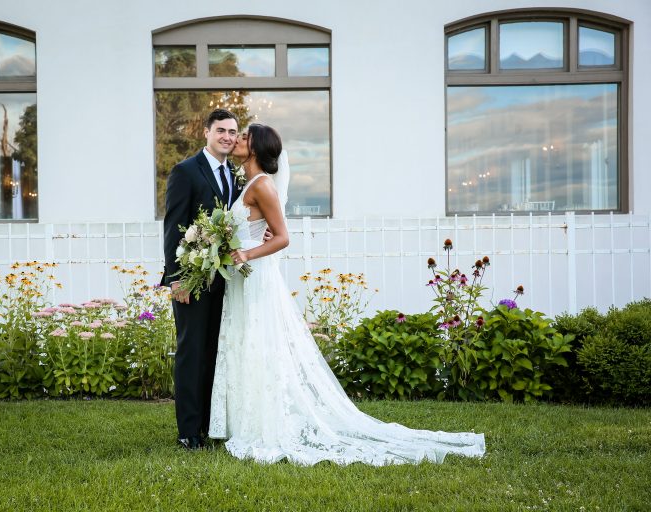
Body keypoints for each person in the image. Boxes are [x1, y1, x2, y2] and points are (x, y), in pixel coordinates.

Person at [208, 124, 486, 465]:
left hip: (256, 275)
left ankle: (267, 424)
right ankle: (248, 420)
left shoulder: (263, 185)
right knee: (246, 343)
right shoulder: (247, 183)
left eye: (245, 136)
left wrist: (247, 255)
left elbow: (282, 237)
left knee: (261, 343)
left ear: (256, 148)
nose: (237, 139)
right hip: (242, 278)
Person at [162, 109, 240, 450]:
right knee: (191, 352)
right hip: (192, 279)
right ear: (206, 132)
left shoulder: (234, 175)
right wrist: (175, 279)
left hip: (226, 279)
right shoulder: (185, 171)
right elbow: (172, 226)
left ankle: (210, 424)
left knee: (214, 352)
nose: (227, 136)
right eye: (221, 130)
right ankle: (188, 431)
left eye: (233, 131)